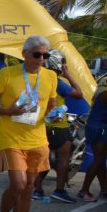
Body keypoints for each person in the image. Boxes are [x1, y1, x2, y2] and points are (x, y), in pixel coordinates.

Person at [0, 35, 59, 212]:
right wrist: (10, 111)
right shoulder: (7, 74)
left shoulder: (51, 76)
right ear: (24, 54)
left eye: (45, 55)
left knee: (28, 188)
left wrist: (54, 115)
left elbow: (51, 105)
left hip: (37, 139)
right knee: (18, 183)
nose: (41, 59)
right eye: (37, 54)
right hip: (11, 138)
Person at [33, 50, 84, 203]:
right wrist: (68, 75)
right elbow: (79, 94)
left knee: (43, 158)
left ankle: (37, 189)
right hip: (58, 126)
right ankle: (59, 190)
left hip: (40, 125)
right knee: (63, 158)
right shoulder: (57, 82)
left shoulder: (36, 78)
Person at [79, 74, 107, 201]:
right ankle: (84, 190)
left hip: (98, 126)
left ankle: (104, 190)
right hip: (98, 128)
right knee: (98, 160)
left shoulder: (104, 82)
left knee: (101, 160)